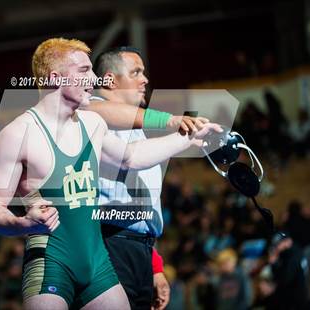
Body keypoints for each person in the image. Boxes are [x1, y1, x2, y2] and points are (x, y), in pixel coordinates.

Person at [0, 38, 221, 309]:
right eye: (84, 71)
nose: (95, 79)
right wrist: (23, 224)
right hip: (51, 262)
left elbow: (132, 157)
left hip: (98, 265)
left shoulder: (92, 124)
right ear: (55, 78)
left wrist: (188, 137)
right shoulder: (17, 134)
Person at [84, 46, 207, 309]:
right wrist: (181, 131)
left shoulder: (135, 128)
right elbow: (131, 158)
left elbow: (138, 204)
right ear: (110, 80)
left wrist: (154, 266)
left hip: (137, 248)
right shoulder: (89, 114)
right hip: (107, 246)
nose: (145, 79)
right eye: (136, 72)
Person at [267, 232, 310, 310]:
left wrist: (274, 264)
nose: (277, 247)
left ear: (288, 241)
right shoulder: (294, 249)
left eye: (278, 244)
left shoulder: (293, 256)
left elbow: (284, 279)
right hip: (296, 292)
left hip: (295, 299)